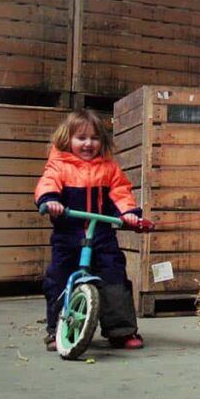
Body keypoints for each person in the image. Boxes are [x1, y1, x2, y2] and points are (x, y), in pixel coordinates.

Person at [34, 109, 143, 352]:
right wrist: (50, 200)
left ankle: (121, 330)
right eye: (81, 138)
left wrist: (129, 215)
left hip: (102, 236)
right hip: (68, 235)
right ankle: (57, 329)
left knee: (114, 276)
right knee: (59, 277)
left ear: (102, 142)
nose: (88, 143)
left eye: (94, 138)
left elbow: (121, 194)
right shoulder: (59, 166)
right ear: (67, 140)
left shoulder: (109, 169)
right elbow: (47, 184)